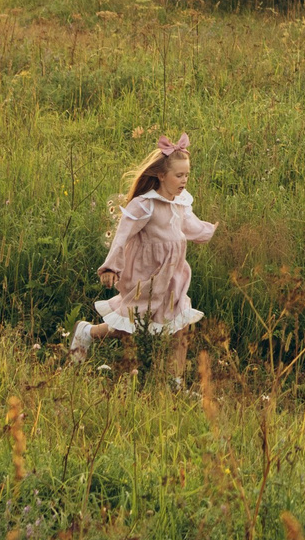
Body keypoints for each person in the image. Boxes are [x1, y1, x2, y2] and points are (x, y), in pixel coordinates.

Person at [68, 131, 214, 383]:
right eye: (179, 175)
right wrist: (111, 267)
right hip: (145, 277)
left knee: (181, 325)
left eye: (187, 175)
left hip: (173, 277)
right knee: (132, 328)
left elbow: (189, 226)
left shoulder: (181, 203)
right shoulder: (145, 205)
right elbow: (122, 235)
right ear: (161, 175)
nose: (184, 180)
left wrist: (208, 230)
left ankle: (174, 381)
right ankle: (88, 332)